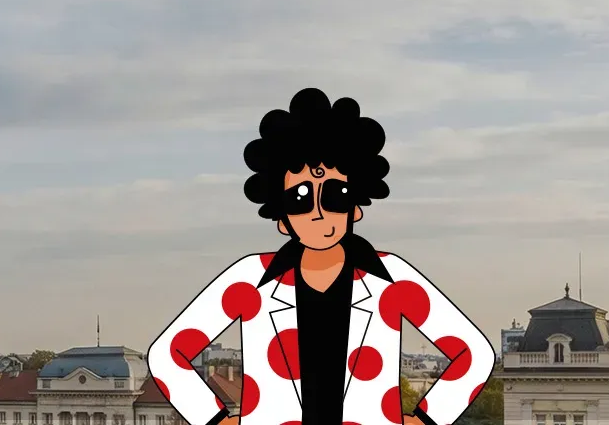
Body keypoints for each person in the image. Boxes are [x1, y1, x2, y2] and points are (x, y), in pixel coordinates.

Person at [145, 88, 494, 425]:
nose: (317, 212)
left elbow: (474, 354)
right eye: (300, 199)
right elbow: (167, 356)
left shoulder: (391, 277)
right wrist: (214, 419)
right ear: (282, 218)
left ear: (355, 208)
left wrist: (427, 419)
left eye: (335, 195)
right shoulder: (250, 278)